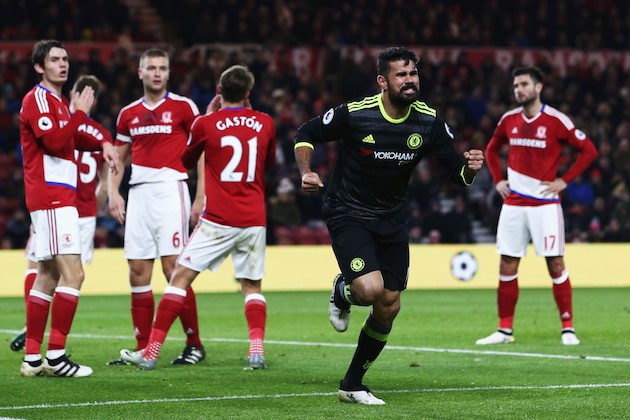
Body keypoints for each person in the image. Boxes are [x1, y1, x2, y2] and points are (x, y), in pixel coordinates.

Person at [294, 46, 484, 405]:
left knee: (389, 304)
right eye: (402, 74)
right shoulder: (357, 113)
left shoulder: (429, 121)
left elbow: (456, 174)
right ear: (383, 81)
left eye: (413, 73)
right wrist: (306, 171)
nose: (410, 80)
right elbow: (306, 132)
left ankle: (352, 383)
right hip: (348, 210)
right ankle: (344, 291)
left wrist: (470, 170)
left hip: (391, 219)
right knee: (368, 290)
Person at [119, 64, 276, 370]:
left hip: (218, 218)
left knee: (179, 278)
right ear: (247, 93)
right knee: (251, 286)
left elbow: (186, 160)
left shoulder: (207, 124)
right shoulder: (266, 122)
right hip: (254, 218)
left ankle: (150, 353)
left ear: (219, 92)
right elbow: (267, 163)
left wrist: (206, 119)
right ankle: (256, 351)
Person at [476, 66, 598, 346]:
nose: (518, 89)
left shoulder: (556, 120)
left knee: (555, 264)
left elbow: (589, 150)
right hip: (514, 203)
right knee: (507, 263)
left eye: (523, 84)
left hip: (545, 204)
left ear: (538, 87)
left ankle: (568, 328)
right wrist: (498, 180)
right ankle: (504, 330)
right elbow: (491, 149)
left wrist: (564, 180)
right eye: (515, 85)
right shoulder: (509, 119)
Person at [18, 40, 118, 377]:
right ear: (38, 66)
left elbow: (73, 138)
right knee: (74, 274)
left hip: (57, 195)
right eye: (54, 60)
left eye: (64, 59)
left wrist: (101, 142)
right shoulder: (37, 100)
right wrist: (79, 114)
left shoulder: (59, 102)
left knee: (47, 276)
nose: (63, 65)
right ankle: (57, 357)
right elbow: (56, 142)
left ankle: (33, 359)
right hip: (51, 196)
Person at [107, 48, 206, 366]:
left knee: (172, 268)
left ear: (168, 72)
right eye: (151, 68)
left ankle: (194, 343)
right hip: (138, 194)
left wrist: (201, 195)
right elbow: (118, 159)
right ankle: (142, 346)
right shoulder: (128, 113)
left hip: (170, 190)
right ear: (140, 73)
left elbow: (203, 152)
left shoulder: (183, 107)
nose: (157, 73)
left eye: (162, 67)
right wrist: (113, 192)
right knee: (137, 270)